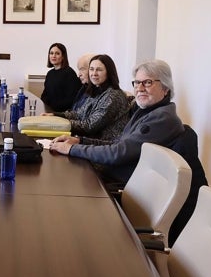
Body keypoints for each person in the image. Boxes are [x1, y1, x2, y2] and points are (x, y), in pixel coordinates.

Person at [49, 59, 185, 185]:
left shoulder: (161, 118)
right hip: (113, 174)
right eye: (137, 83)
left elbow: (118, 153)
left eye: (148, 82)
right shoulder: (145, 111)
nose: (140, 88)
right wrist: (80, 141)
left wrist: (72, 149)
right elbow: (119, 143)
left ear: (166, 88)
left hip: (121, 184)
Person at [43, 54, 130, 141]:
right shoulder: (97, 90)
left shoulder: (113, 96)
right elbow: (78, 114)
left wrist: (58, 123)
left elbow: (89, 126)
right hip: (91, 141)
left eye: (99, 70)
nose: (94, 74)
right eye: (91, 69)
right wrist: (55, 115)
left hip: (105, 146)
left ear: (109, 72)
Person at [40, 43, 82, 112]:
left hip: (62, 113)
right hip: (49, 110)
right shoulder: (50, 74)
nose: (53, 56)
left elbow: (71, 99)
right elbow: (45, 95)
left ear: (63, 56)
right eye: (51, 53)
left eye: (57, 53)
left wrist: (53, 110)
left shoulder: (69, 73)